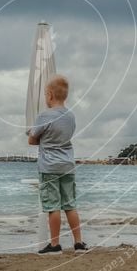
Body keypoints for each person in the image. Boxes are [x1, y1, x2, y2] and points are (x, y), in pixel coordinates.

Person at [27, 74, 87, 255]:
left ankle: (55, 245)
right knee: (70, 204)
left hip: (49, 167)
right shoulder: (71, 116)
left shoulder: (44, 116)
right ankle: (78, 243)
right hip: (67, 165)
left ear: (50, 95)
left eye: (46, 95)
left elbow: (32, 140)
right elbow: (64, 137)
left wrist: (39, 138)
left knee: (53, 206)